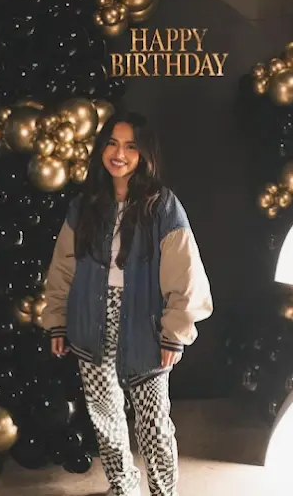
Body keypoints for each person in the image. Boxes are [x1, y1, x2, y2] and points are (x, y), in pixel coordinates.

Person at [41, 111, 213, 496]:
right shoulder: (85, 205)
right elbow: (64, 266)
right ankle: (123, 487)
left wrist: (174, 333)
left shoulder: (162, 206)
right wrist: (58, 320)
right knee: (105, 418)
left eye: (130, 146)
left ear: (144, 154)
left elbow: (185, 273)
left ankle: (163, 492)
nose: (119, 154)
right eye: (112, 144)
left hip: (144, 324)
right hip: (90, 319)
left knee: (154, 424)